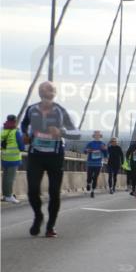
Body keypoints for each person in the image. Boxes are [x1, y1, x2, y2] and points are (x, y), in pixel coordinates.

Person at [20, 81, 80, 237]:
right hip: (36, 155)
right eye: (43, 89)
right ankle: (38, 216)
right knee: (33, 191)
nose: (46, 91)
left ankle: (50, 227)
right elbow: (23, 125)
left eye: (50, 89)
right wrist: (25, 135)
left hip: (55, 156)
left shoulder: (60, 111)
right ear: (39, 92)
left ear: (54, 93)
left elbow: (76, 133)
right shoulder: (31, 109)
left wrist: (61, 132)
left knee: (54, 192)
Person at [2, 114, 26, 203]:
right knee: (10, 178)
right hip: (13, 159)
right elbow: (22, 147)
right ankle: (9, 196)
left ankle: (5, 195)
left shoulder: (3, 131)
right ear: (15, 122)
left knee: (5, 177)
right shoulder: (16, 132)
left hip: (4, 158)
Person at [84, 131, 108, 198]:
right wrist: (87, 150)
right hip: (90, 163)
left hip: (98, 163)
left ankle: (92, 191)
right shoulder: (90, 143)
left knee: (95, 177)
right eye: (96, 135)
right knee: (89, 176)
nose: (97, 136)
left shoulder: (102, 144)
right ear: (94, 136)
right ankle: (88, 183)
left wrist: (105, 155)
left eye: (98, 135)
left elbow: (106, 152)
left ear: (100, 136)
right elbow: (85, 151)